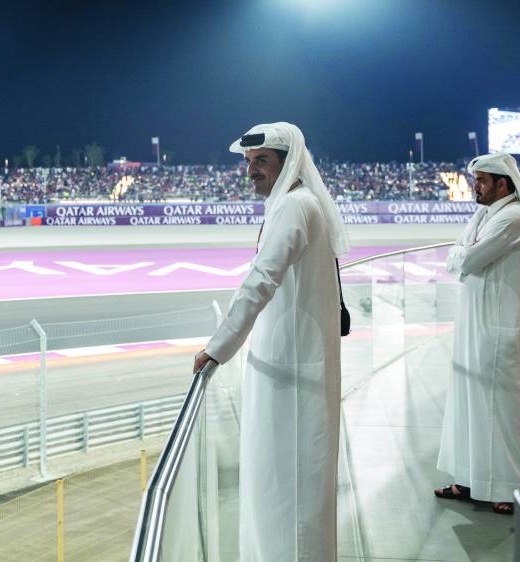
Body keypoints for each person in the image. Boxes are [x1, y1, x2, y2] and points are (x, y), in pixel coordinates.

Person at [194, 122, 349, 561]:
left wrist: (218, 347)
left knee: (288, 488)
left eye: (261, 161)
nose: (251, 171)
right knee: (283, 486)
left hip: (292, 375)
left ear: (287, 162)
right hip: (290, 367)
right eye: (248, 162)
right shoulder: (296, 203)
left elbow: (261, 279)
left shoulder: (294, 207)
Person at [434, 152, 520, 515]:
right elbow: (460, 256)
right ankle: (471, 481)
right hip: (474, 329)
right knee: (469, 407)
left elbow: (464, 260)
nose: (475, 187)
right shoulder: (485, 214)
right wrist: (461, 255)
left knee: (503, 413)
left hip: (499, 335)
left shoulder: (514, 219)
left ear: (503, 184)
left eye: (481, 181)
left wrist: (461, 256)